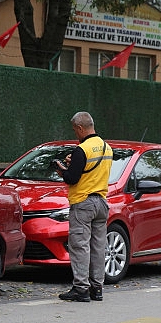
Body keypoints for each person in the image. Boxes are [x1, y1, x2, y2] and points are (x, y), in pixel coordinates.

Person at [53, 111, 112, 302]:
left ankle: (81, 289)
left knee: (80, 246)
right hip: (102, 202)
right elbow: (89, 171)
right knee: (98, 246)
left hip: (83, 203)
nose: (75, 134)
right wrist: (75, 165)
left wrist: (62, 169)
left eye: (74, 130)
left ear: (80, 128)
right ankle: (97, 288)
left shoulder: (82, 149)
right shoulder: (107, 148)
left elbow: (72, 178)